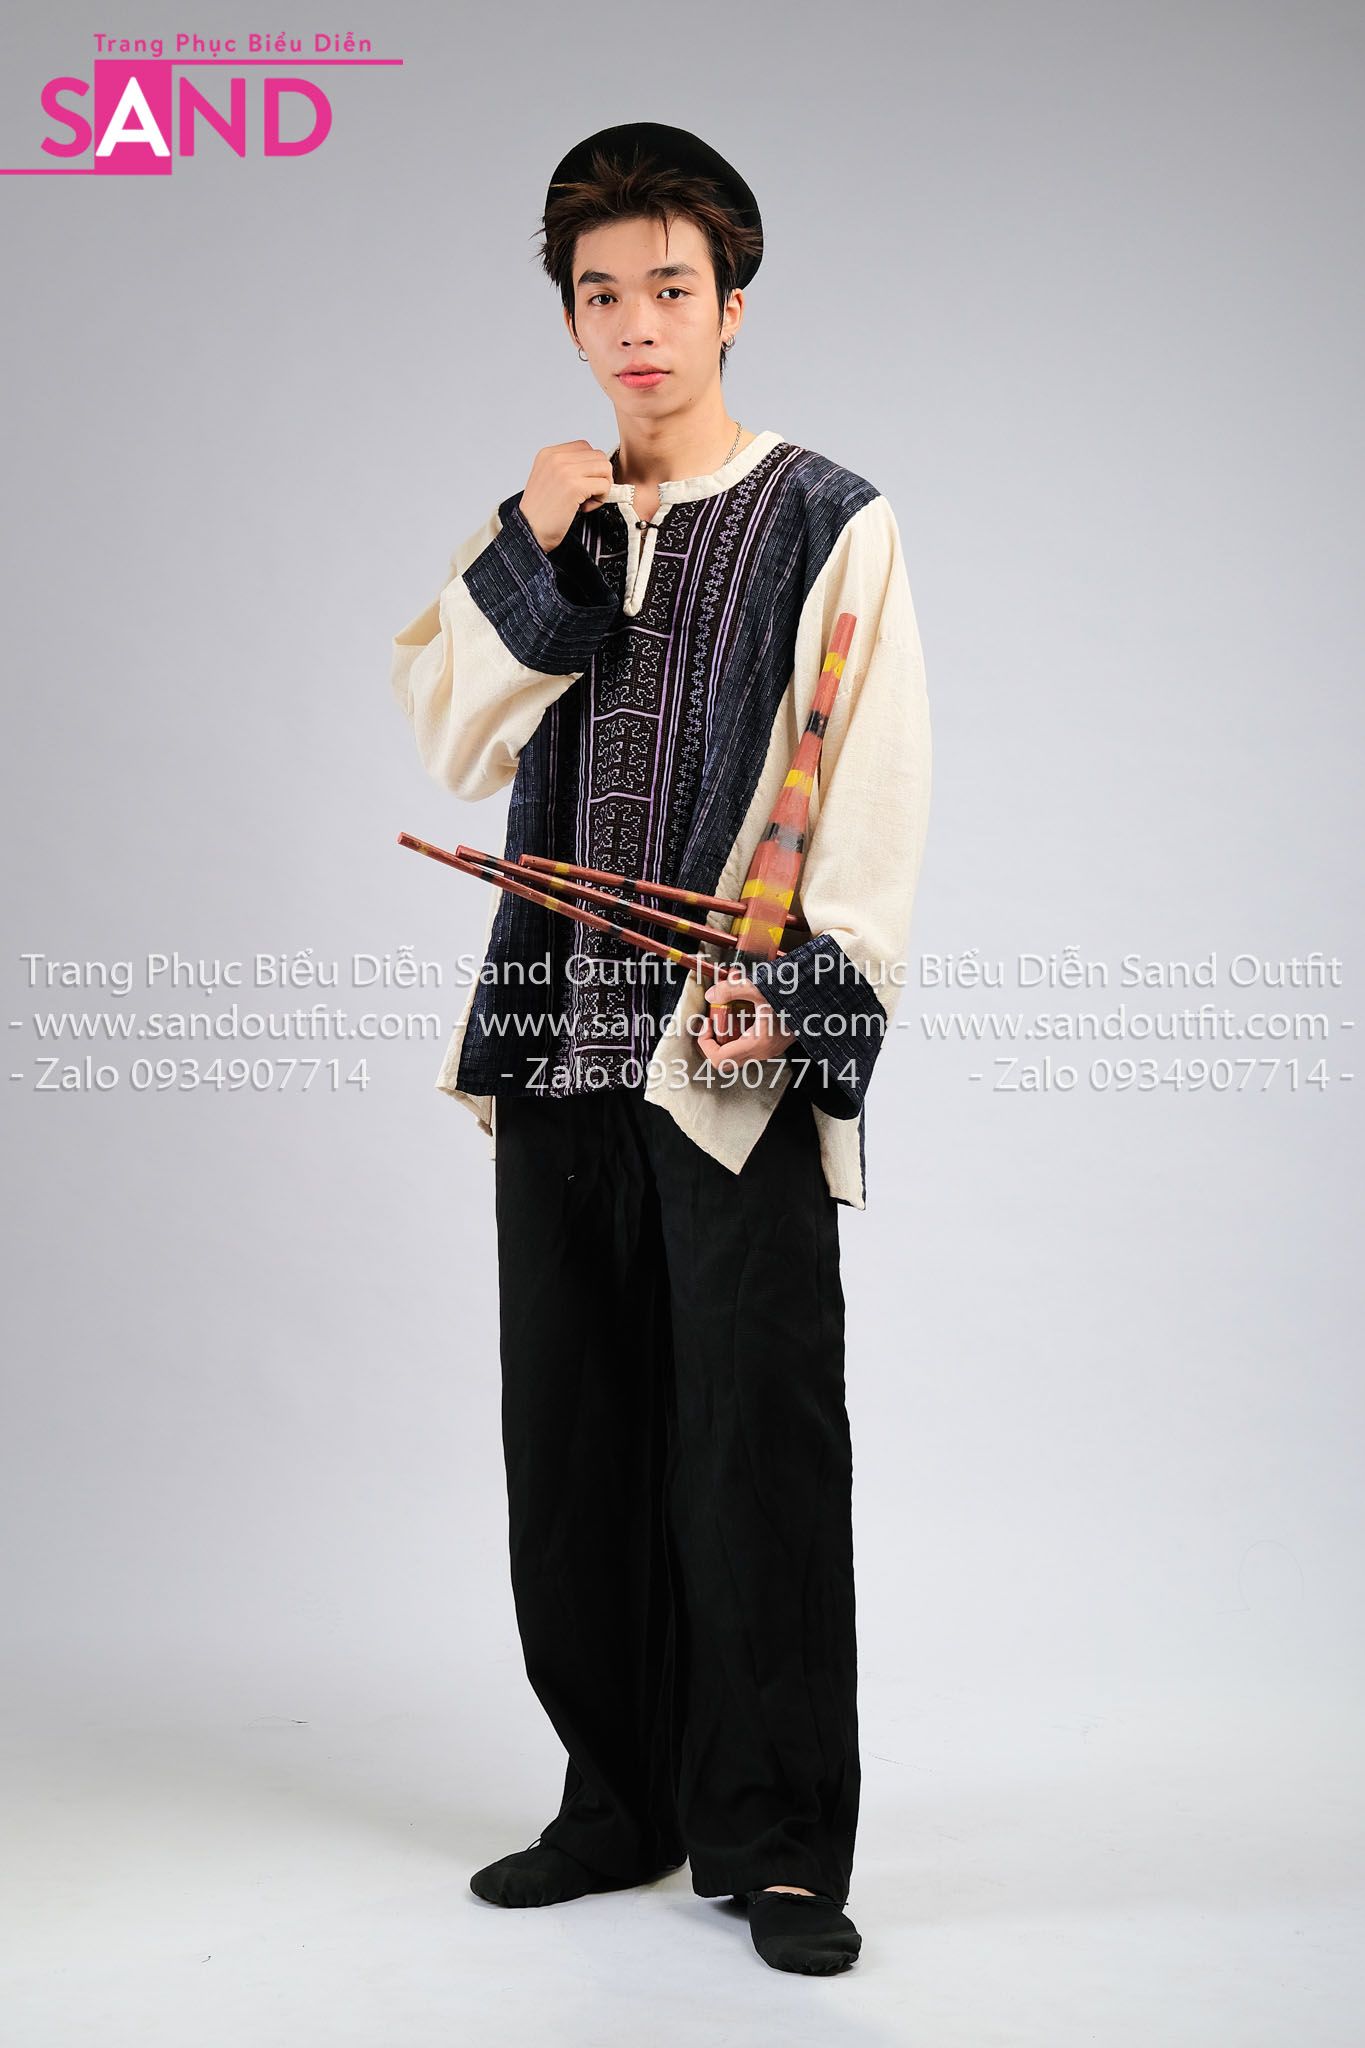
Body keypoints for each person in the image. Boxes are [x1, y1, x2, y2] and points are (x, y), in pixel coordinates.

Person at [389, 121, 932, 1975]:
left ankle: (773, 1847)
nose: (637, 325)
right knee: (575, 1443)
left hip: (726, 1055)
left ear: (731, 304)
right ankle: (613, 1799)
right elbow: (450, 732)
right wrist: (539, 541)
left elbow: (874, 778)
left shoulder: (828, 516)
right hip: (555, 1044)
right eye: (601, 294)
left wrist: (801, 981)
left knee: (752, 1448)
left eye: (670, 289)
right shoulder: (544, 515)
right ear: (568, 316)